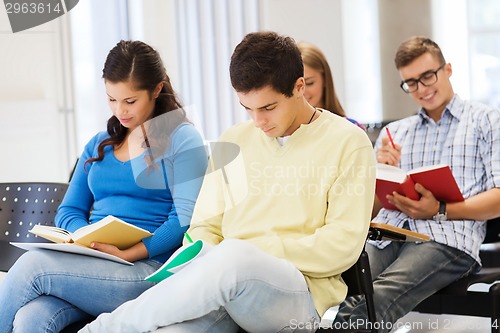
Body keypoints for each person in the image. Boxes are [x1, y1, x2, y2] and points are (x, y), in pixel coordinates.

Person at [78, 31, 376, 333]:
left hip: (298, 295)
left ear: (299, 87)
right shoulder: (235, 140)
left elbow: (343, 244)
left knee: (236, 255)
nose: (258, 121)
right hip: (225, 285)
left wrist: (253, 252)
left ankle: (101, 330)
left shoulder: (348, 142)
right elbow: (203, 227)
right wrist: (208, 253)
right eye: (247, 108)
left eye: (268, 108)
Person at [0, 40, 208, 332]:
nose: (119, 111)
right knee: (30, 318)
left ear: (157, 90)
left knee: (30, 266)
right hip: (92, 264)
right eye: (112, 99)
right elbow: (69, 210)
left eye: (130, 101)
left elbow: (183, 221)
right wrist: (84, 239)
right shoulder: (99, 143)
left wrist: (126, 252)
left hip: (146, 271)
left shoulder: (183, 139)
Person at [334, 36, 500, 332]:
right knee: (348, 291)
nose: (422, 89)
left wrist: (439, 209)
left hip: (447, 240)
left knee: (381, 295)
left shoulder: (486, 121)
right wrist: (379, 170)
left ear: (447, 69)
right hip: (388, 235)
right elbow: (369, 210)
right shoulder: (395, 133)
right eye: (411, 83)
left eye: (428, 76)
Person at [298, 41, 365, 130]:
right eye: (297, 86)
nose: (303, 91)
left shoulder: (350, 128)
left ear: (325, 79)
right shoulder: (284, 134)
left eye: (310, 83)